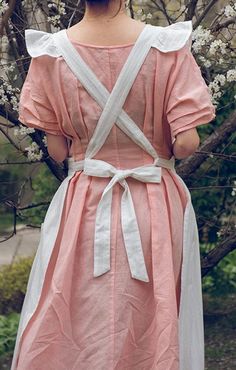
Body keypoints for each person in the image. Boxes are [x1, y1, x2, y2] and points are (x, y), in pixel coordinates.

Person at [11, 0, 216, 369]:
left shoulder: (52, 53)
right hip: (153, 197)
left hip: (85, 198)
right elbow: (186, 143)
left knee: (74, 308)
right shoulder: (165, 46)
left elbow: (58, 150)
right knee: (153, 314)